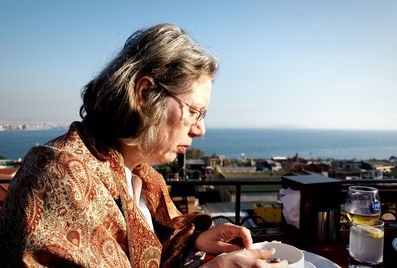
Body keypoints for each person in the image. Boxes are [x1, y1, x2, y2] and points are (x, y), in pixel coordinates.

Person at [0, 23, 276, 267]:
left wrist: (196, 241)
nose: (200, 129)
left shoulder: (141, 176)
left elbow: (146, 252)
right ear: (145, 94)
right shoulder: (58, 175)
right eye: (194, 111)